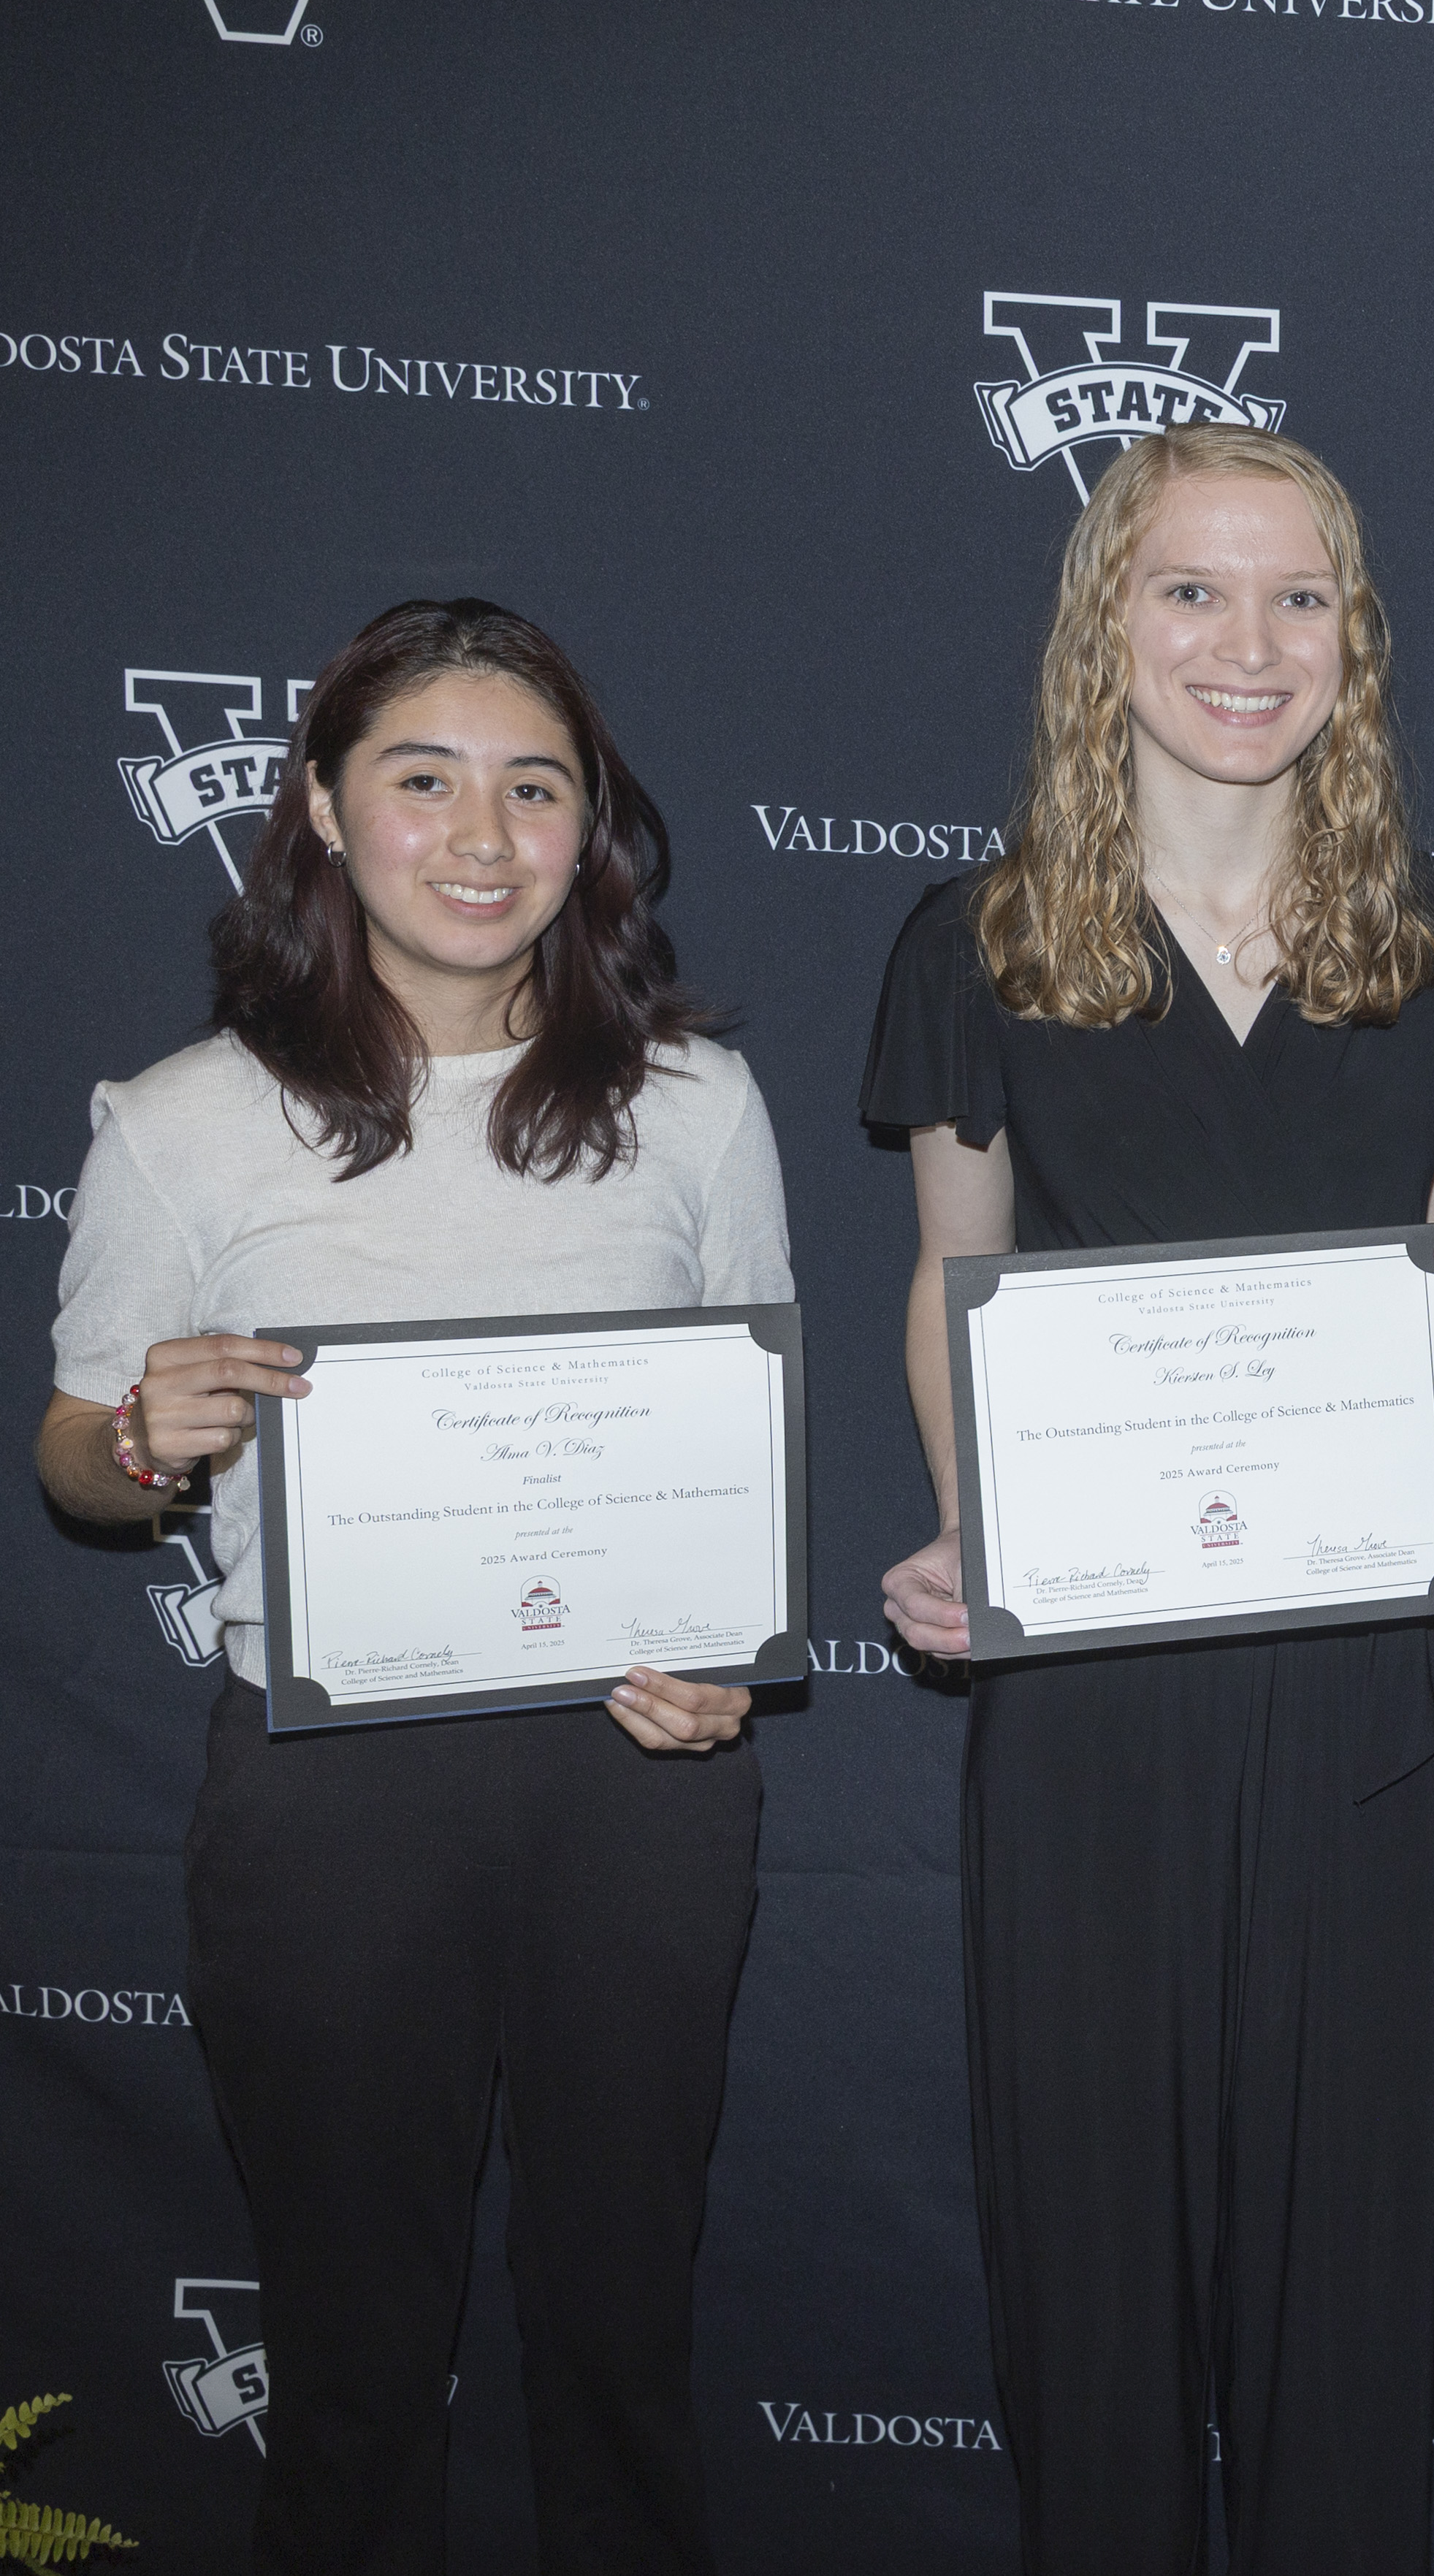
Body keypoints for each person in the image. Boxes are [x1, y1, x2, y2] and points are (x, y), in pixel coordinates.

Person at [863, 424, 1434, 2573]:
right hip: (1092, 1700)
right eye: (1190, 591)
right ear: (1107, 628)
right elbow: (954, 1284)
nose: (1245, 645)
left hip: (1366, 1696)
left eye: (1298, 597)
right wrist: (983, 1535)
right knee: (1091, 2272)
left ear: (1354, 638)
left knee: (1345, 2283)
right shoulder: (975, 942)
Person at [40, 599, 787, 2575]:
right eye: (424, 778)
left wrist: (726, 1661)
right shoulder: (181, 1118)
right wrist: (141, 1434)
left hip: (641, 1780)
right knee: (358, 2370)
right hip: (334, 1794)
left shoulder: (697, 1098)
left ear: (590, 827)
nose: (481, 832)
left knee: (620, 2339)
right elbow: (71, 1449)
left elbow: (748, 1418)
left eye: (534, 786)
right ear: (319, 809)